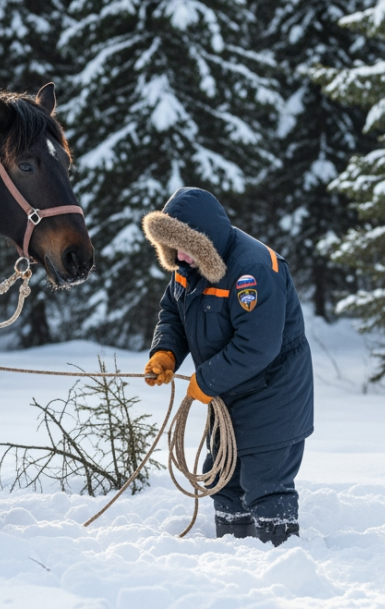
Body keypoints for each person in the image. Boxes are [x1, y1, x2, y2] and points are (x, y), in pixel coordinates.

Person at [142, 187, 314, 546]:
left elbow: (257, 346)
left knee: (266, 485)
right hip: (230, 394)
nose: (180, 255)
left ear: (206, 241)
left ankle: (282, 564)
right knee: (224, 482)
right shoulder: (186, 268)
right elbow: (173, 312)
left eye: (186, 245)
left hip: (273, 394)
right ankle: (233, 565)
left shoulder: (252, 270)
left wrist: (205, 381)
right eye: (172, 246)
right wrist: (167, 353)